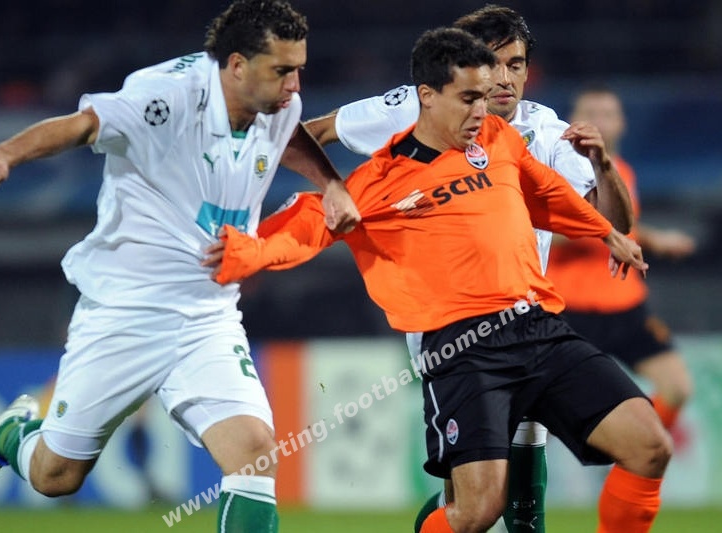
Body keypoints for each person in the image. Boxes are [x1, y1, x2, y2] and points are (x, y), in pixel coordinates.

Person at [205, 27, 672, 533]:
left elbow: (548, 194)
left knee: (650, 445)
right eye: (469, 99)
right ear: (427, 97)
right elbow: (303, 227)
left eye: (485, 96)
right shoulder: (379, 182)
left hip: (537, 325)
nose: (482, 110)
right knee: (477, 510)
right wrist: (241, 251)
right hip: (463, 348)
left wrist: (606, 232)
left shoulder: (499, 139)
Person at [0, 1, 360, 532]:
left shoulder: (278, 104)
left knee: (254, 452)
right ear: (237, 65)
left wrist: (332, 184)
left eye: (299, 69)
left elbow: (287, 135)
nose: (295, 85)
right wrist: (5, 155)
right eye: (282, 70)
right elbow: (82, 126)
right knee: (55, 476)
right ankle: (10, 434)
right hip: (125, 313)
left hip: (208, 317)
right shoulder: (166, 96)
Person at [303, 5, 633, 532]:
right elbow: (313, 131)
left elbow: (611, 220)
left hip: (526, 324)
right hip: (450, 330)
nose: (504, 79)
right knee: (472, 504)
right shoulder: (415, 106)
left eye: (516, 65)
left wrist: (602, 165)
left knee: (518, 497)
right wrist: (333, 188)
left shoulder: (544, 129)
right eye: (492, 64)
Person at [547, 84, 695, 435]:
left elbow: (624, 226)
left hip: (625, 306)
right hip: (568, 310)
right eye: (590, 114)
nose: (599, 122)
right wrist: (595, 228)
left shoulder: (622, 172)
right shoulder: (554, 172)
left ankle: (632, 462)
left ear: (622, 123)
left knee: (677, 387)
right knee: (546, 413)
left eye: (607, 114)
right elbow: (535, 229)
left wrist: (655, 239)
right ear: (572, 121)